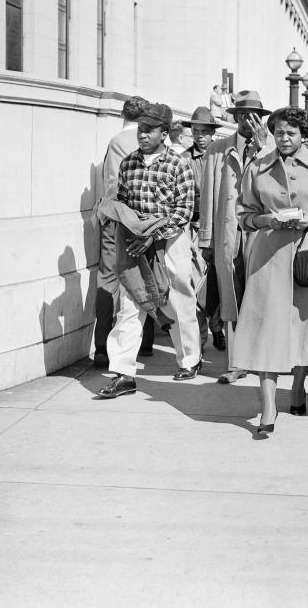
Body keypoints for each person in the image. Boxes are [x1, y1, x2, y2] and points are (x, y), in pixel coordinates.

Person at [230, 107, 308, 434]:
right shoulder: (256, 168)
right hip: (267, 258)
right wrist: (268, 219)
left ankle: (297, 386)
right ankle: (268, 408)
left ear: (303, 135)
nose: (284, 138)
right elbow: (245, 214)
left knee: (305, 328)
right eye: (279, 132)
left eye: (291, 133)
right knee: (267, 330)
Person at [97, 103, 202, 397]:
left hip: (171, 241)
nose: (142, 135)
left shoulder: (180, 164)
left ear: (164, 133)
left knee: (179, 299)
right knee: (131, 302)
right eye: (140, 129)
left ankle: (190, 359)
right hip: (135, 242)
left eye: (149, 130)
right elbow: (123, 200)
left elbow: (184, 211)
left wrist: (155, 235)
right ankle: (123, 373)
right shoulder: (128, 163)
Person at [199, 90, 274, 384]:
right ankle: (236, 362)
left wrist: (265, 146)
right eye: (241, 115)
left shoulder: (270, 148)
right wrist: (206, 238)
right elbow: (207, 196)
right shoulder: (217, 149)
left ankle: (262, 357)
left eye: (253, 115)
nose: (247, 121)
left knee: (261, 297)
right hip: (228, 234)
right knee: (230, 297)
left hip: (261, 233)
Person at [92, 96, 155, 368]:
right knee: (148, 275)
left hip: (117, 219)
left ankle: (103, 348)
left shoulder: (117, 142)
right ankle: (146, 342)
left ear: (123, 115)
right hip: (146, 220)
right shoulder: (154, 142)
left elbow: (112, 185)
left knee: (108, 279)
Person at [181, 106, 224, 352]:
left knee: (217, 284)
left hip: (219, 229)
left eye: (204, 131)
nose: (199, 136)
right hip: (193, 228)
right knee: (194, 285)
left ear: (212, 133)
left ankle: (217, 327)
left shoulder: (221, 157)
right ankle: (200, 339)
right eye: (195, 131)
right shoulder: (184, 159)